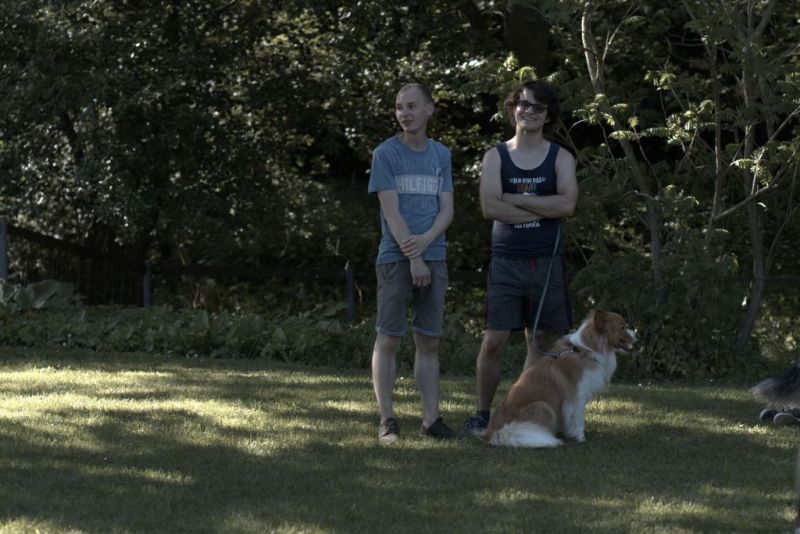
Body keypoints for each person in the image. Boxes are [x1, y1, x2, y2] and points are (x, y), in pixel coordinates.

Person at [462, 79, 579, 436]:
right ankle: (483, 414)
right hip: (506, 260)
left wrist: (513, 198)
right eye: (523, 104)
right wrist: (543, 207)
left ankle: (521, 412)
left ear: (548, 116)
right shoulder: (495, 156)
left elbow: (567, 205)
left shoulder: (560, 157)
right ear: (513, 108)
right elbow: (489, 207)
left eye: (537, 107)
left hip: (546, 260)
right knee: (494, 340)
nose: (529, 111)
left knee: (539, 341)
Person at [368, 82, 456, 444]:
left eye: (411, 106)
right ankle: (387, 420)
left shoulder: (441, 155)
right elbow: (392, 213)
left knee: (429, 342)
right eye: (399, 107)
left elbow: (446, 210)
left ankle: (431, 421)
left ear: (429, 109)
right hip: (396, 259)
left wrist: (427, 244)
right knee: (389, 338)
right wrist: (414, 257)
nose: (404, 113)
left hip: (435, 257)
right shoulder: (385, 154)